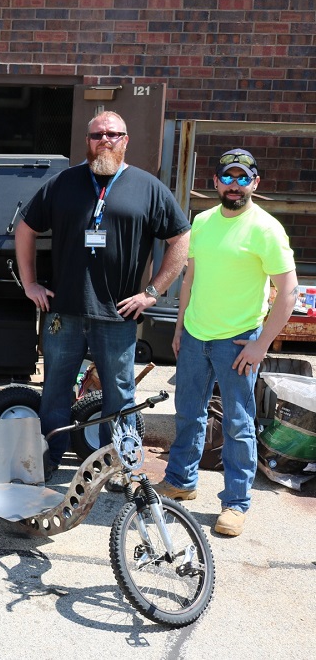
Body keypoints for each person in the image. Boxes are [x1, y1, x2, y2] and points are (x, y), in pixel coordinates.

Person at [15, 110, 191, 477]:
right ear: (88, 142)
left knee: (120, 396)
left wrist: (153, 292)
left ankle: (119, 469)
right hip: (64, 312)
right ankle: (47, 463)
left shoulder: (148, 188)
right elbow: (25, 228)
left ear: (125, 140)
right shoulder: (63, 184)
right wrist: (29, 283)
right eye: (97, 135)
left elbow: (180, 239)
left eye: (113, 134)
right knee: (55, 391)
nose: (105, 141)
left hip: (118, 315)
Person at [156, 149, 297, 537]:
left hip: (237, 343)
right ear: (216, 182)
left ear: (255, 183)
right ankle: (181, 481)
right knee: (188, 413)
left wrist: (261, 344)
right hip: (196, 336)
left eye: (242, 178)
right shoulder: (202, 222)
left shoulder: (266, 229)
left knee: (238, 423)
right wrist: (180, 328)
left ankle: (235, 503)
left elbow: (289, 292)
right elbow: (190, 279)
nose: (234, 185)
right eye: (228, 177)